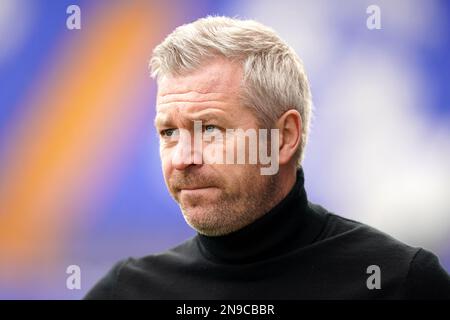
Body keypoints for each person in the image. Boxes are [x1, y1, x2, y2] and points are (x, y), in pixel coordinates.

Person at [85, 16, 450, 299]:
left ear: (284, 137)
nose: (182, 158)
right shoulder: (126, 291)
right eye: (169, 133)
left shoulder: (401, 282)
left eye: (210, 128)